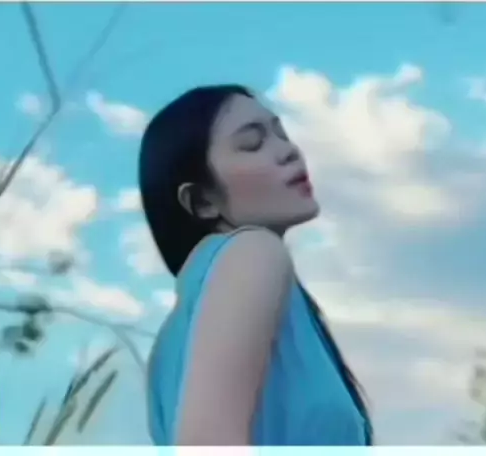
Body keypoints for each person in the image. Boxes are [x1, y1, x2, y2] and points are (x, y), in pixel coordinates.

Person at [138, 85, 372, 446]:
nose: (289, 151)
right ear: (202, 201)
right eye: (252, 144)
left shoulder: (168, 347)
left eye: (282, 134)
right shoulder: (254, 251)